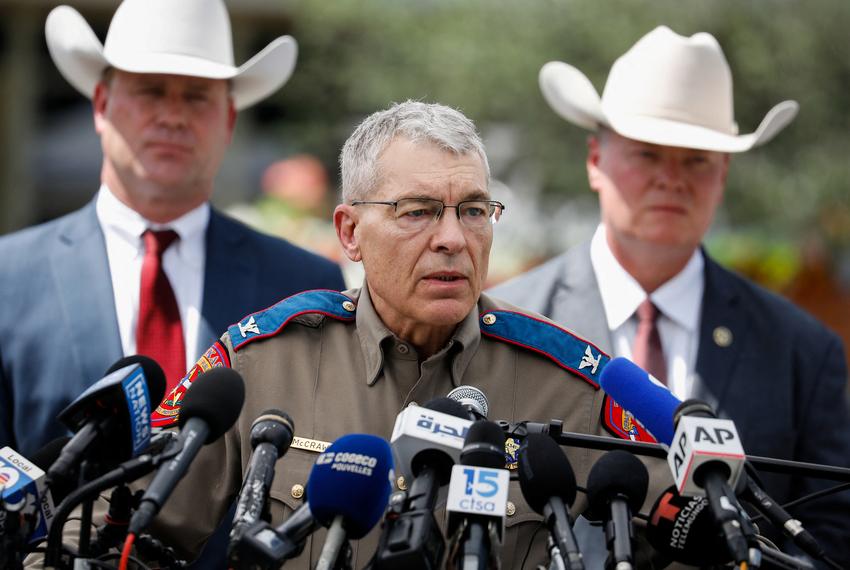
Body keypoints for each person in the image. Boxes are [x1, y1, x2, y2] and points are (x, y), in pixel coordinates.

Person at [138, 101, 671, 568]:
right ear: (350, 232)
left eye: (473, 211)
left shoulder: (569, 381)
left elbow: (699, 533)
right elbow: (125, 533)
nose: (452, 239)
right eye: (417, 212)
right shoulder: (264, 360)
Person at [491, 26, 850, 564]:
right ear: (595, 160)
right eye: (648, 154)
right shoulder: (507, 323)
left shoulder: (802, 350)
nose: (672, 179)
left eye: (698, 159)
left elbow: (831, 539)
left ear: (723, 174)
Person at [0, 0, 345, 457]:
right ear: (102, 105)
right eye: (151, 91)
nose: (173, 116)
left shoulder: (303, 287)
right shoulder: (9, 278)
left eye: (197, 95)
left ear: (228, 120)